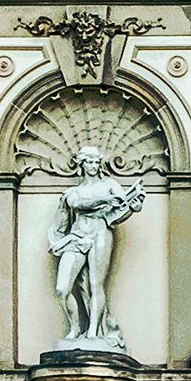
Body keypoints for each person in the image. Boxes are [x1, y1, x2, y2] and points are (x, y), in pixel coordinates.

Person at [47, 145, 152, 358]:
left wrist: (133, 204)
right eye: (90, 162)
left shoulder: (110, 184)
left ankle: (93, 331)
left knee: (96, 284)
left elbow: (119, 212)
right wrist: (105, 200)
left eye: (96, 162)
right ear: (82, 164)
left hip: (101, 233)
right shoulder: (73, 192)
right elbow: (79, 205)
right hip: (77, 237)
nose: (94, 166)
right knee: (62, 288)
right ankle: (75, 329)